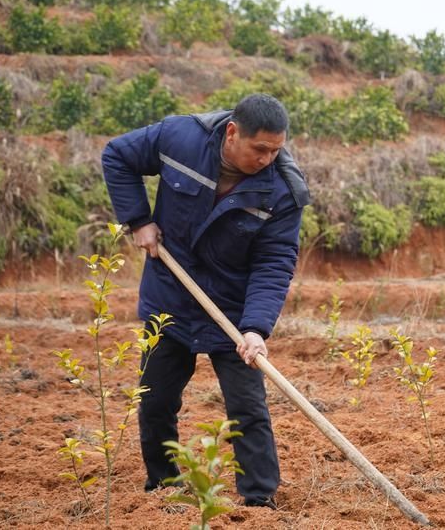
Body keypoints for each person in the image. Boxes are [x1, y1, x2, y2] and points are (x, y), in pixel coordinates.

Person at [102, 93, 309, 509]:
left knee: (247, 408)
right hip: (170, 294)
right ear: (232, 133)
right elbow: (117, 155)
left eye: (276, 150)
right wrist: (139, 219)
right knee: (156, 399)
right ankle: (163, 486)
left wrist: (255, 328)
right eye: (260, 149)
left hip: (232, 310)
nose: (267, 159)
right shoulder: (180, 138)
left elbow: (274, 263)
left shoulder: (283, 192)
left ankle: (258, 498)